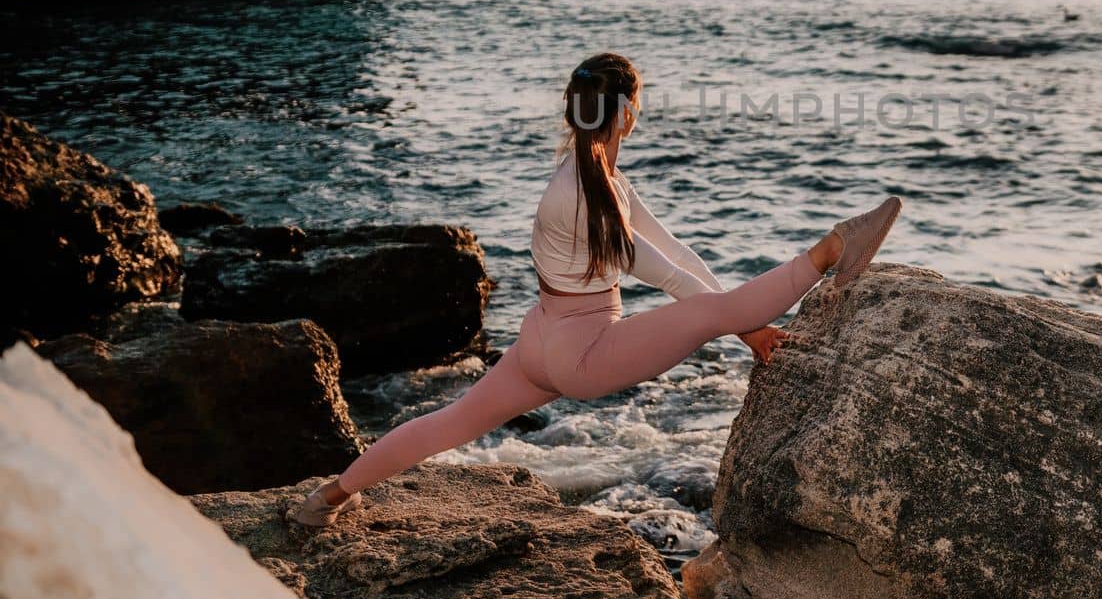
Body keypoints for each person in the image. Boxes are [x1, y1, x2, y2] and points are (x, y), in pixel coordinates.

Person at [290, 51, 902, 526]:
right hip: (583, 354)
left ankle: (328, 497)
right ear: (624, 114)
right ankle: (831, 250)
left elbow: (679, 252)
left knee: (448, 424)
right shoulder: (588, 195)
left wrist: (746, 328)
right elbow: (671, 277)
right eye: (638, 105)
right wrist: (739, 325)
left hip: (540, 342)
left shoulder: (596, 176)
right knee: (705, 313)